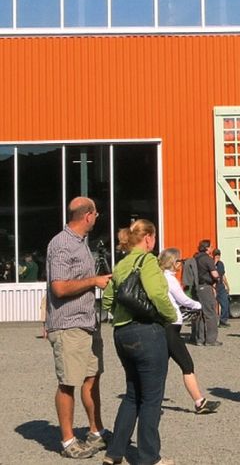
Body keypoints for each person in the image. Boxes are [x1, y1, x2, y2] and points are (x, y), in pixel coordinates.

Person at [101, 220, 178, 465]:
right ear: (148, 239)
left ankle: (114, 453)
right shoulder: (148, 262)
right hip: (146, 333)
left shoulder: (121, 264)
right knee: (152, 398)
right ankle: (149, 457)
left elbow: (106, 301)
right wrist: (170, 315)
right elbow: (157, 293)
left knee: (132, 394)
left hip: (122, 334)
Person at [45, 196, 113, 459]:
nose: (96, 218)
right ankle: (67, 440)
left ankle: (96, 432)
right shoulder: (61, 244)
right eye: (95, 213)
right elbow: (59, 287)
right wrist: (94, 281)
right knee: (68, 382)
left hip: (87, 323)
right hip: (68, 324)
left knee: (91, 377)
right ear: (88, 215)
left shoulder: (81, 243)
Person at [158, 249, 221, 415]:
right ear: (173, 262)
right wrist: (198, 305)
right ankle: (199, 402)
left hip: (167, 326)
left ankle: (153, 402)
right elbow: (182, 299)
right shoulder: (169, 279)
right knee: (187, 365)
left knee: (161, 367)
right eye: (180, 261)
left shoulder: (161, 278)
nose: (181, 264)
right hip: (171, 328)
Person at [192, 240, 220, 346]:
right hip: (206, 286)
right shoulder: (208, 259)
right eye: (211, 246)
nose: (212, 248)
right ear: (207, 248)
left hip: (197, 287)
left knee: (200, 313)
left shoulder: (196, 258)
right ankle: (211, 340)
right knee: (210, 313)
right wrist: (217, 279)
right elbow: (214, 274)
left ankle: (200, 338)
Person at [212, 249, 230, 327]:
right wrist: (214, 263)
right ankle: (212, 322)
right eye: (216, 255)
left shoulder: (221, 264)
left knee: (225, 304)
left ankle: (223, 320)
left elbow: (223, 275)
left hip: (221, 286)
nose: (217, 257)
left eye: (218, 255)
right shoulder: (211, 264)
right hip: (213, 287)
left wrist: (227, 285)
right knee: (213, 306)